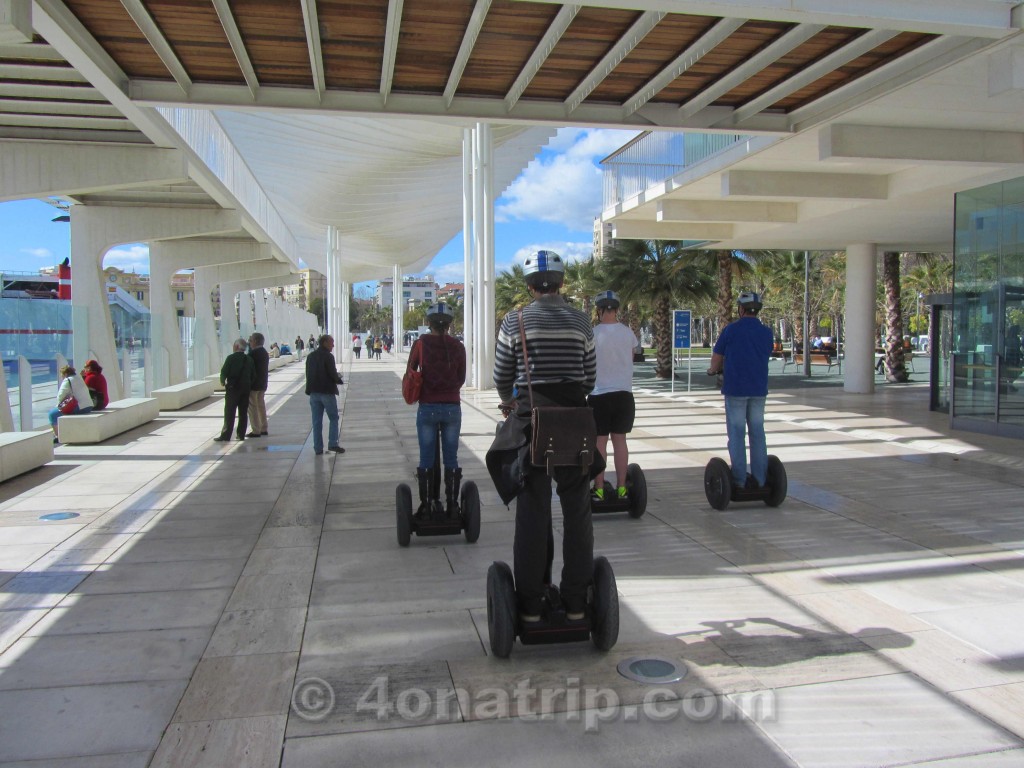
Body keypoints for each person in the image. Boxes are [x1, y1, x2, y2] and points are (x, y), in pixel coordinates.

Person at [493, 250, 597, 623]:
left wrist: (510, 401)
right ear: (561, 282)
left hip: (532, 423)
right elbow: (589, 378)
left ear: (529, 285)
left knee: (533, 512)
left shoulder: (514, 320)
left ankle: (532, 605)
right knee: (577, 511)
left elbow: (502, 375)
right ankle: (574, 603)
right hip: (573, 424)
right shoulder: (582, 321)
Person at [706, 291, 774, 489]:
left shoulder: (731, 330)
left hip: (736, 389)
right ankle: (761, 480)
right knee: (757, 433)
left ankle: (739, 480)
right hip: (759, 389)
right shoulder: (766, 332)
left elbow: (717, 357)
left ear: (741, 309)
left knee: (736, 433)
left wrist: (713, 370)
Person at [406, 303, 467, 517]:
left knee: (426, 457)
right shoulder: (458, 346)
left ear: (429, 323)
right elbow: (461, 378)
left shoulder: (421, 343)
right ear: (449, 325)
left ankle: (428, 504)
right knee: (451, 458)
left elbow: (411, 371)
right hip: (452, 406)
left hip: (428, 406)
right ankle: (452, 505)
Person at [587, 290, 638, 501]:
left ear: (599, 311)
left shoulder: (592, 334)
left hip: (599, 395)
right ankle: (622, 488)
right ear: (617, 309)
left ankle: (598, 489)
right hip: (624, 396)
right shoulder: (628, 334)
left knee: (600, 443)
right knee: (620, 442)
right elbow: (631, 358)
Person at [305, 334, 345, 455]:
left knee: (316, 421)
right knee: (333, 418)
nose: (333, 345)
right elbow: (332, 373)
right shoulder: (328, 356)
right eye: (331, 342)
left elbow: (308, 373)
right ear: (325, 343)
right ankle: (332, 443)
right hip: (326, 392)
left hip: (313, 392)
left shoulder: (311, 356)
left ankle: (318, 447)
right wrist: (339, 379)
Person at [215, 338, 255, 442]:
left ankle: (226, 435)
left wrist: (223, 381)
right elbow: (253, 375)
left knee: (229, 412)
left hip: (233, 389)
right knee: (243, 412)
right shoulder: (249, 359)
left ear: (236, 347)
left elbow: (224, 372)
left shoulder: (231, 358)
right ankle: (241, 434)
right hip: (245, 389)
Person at [49, 364, 94, 444]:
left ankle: (58, 436)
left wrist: (58, 406)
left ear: (65, 374)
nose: (62, 377)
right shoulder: (79, 378)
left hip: (80, 407)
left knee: (52, 414)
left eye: (62, 375)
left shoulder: (68, 380)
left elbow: (60, 396)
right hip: (88, 406)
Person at [246, 332, 270, 437]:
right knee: (261, 405)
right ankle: (263, 427)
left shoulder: (253, 354)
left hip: (254, 385)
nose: (249, 343)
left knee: (252, 407)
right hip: (262, 383)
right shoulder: (264, 352)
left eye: (250, 340)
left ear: (255, 341)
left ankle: (256, 430)